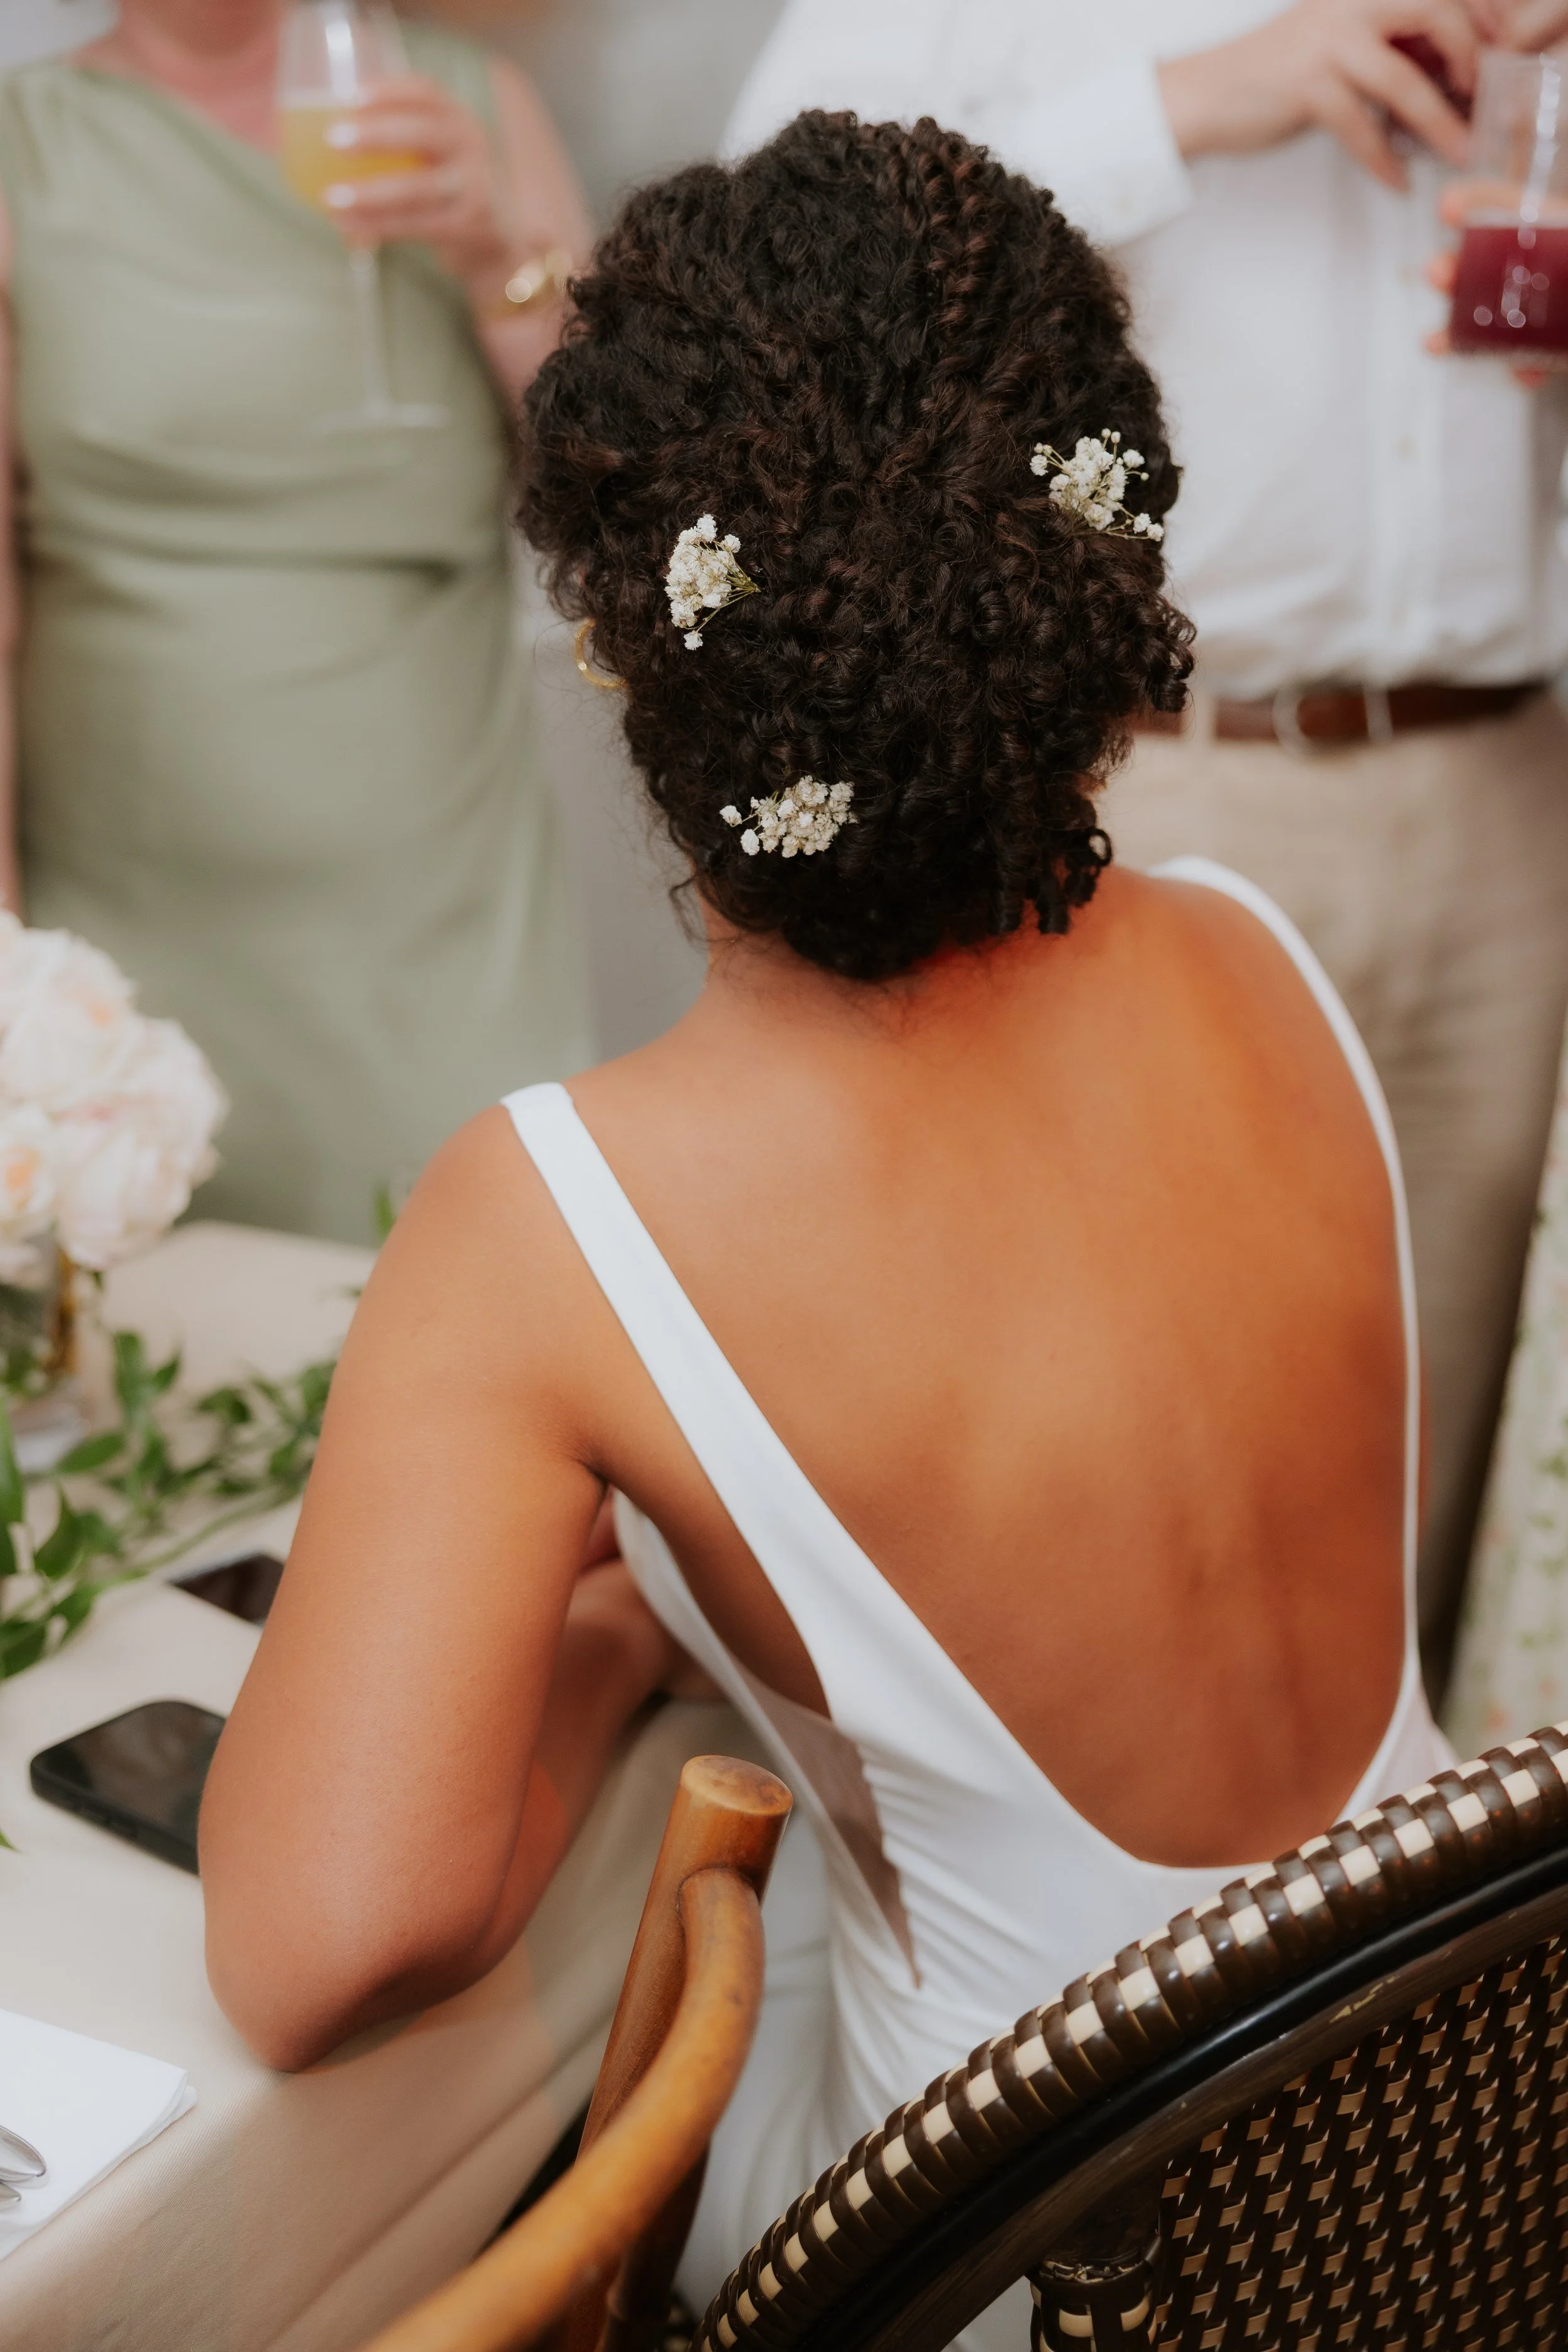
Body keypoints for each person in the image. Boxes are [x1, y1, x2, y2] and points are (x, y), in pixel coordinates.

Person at [199, 114, 1453, 2348]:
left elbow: (322, 1944)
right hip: (1429, 2160)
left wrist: (612, 1642)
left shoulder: (561, 1215)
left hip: (1046, 2257)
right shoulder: (1268, 959)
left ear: (628, 645)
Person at [724, 1, 1568, 1700]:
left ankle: (1382, 1938)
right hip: (1160, 780)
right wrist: (1177, 107)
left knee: (1443, 1439)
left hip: (1506, 795)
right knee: (1121, 1440)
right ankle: (1138, 1949)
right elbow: (768, 251)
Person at [0, 0, 595, 1243]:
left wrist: (495, 258)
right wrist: (13, 972)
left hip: (445, 896)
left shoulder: (465, 105)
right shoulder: (22, 148)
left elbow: (622, 484)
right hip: (132, 915)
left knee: (477, 1297)